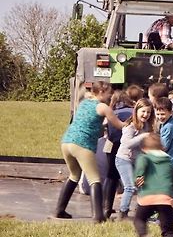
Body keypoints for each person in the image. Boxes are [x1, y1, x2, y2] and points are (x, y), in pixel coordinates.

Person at [55, 81, 126, 223]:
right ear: (101, 92)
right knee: (95, 180)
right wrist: (133, 121)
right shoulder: (102, 107)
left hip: (67, 142)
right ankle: (98, 216)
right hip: (82, 145)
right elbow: (120, 125)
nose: (110, 95)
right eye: (108, 93)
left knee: (74, 176)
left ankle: (59, 210)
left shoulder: (84, 103)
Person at [133, 133, 173, 237]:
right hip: (165, 198)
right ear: (161, 148)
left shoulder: (144, 157)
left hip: (148, 197)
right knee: (168, 229)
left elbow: (141, 166)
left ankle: (145, 236)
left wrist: (138, 177)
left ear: (144, 148)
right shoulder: (168, 161)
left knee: (139, 219)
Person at [115, 98, 152, 219]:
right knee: (130, 187)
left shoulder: (146, 126)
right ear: (136, 111)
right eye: (143, 111)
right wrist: (143, 137)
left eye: (148, 112)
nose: (146, 114)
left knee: (143, 185)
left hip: (137, 161)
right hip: (124, 159)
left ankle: (141, 211)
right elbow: (127, 144)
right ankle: (123, 213)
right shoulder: (130, 126)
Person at [104, 90, 134, 218]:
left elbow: (107, 134)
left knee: (111, 177)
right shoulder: (133, 112)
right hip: (129, 148)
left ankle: (107, 207)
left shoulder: (112, 113)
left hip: (113, 146)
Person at [154, 97, 173, 224]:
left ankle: (172, 215)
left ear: (170, 112)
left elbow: (163, 147)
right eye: (158, 113)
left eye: (163, 114)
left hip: (169, 164)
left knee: (166, 191)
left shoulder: (167, 128)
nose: (160, 116)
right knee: (172, 190)